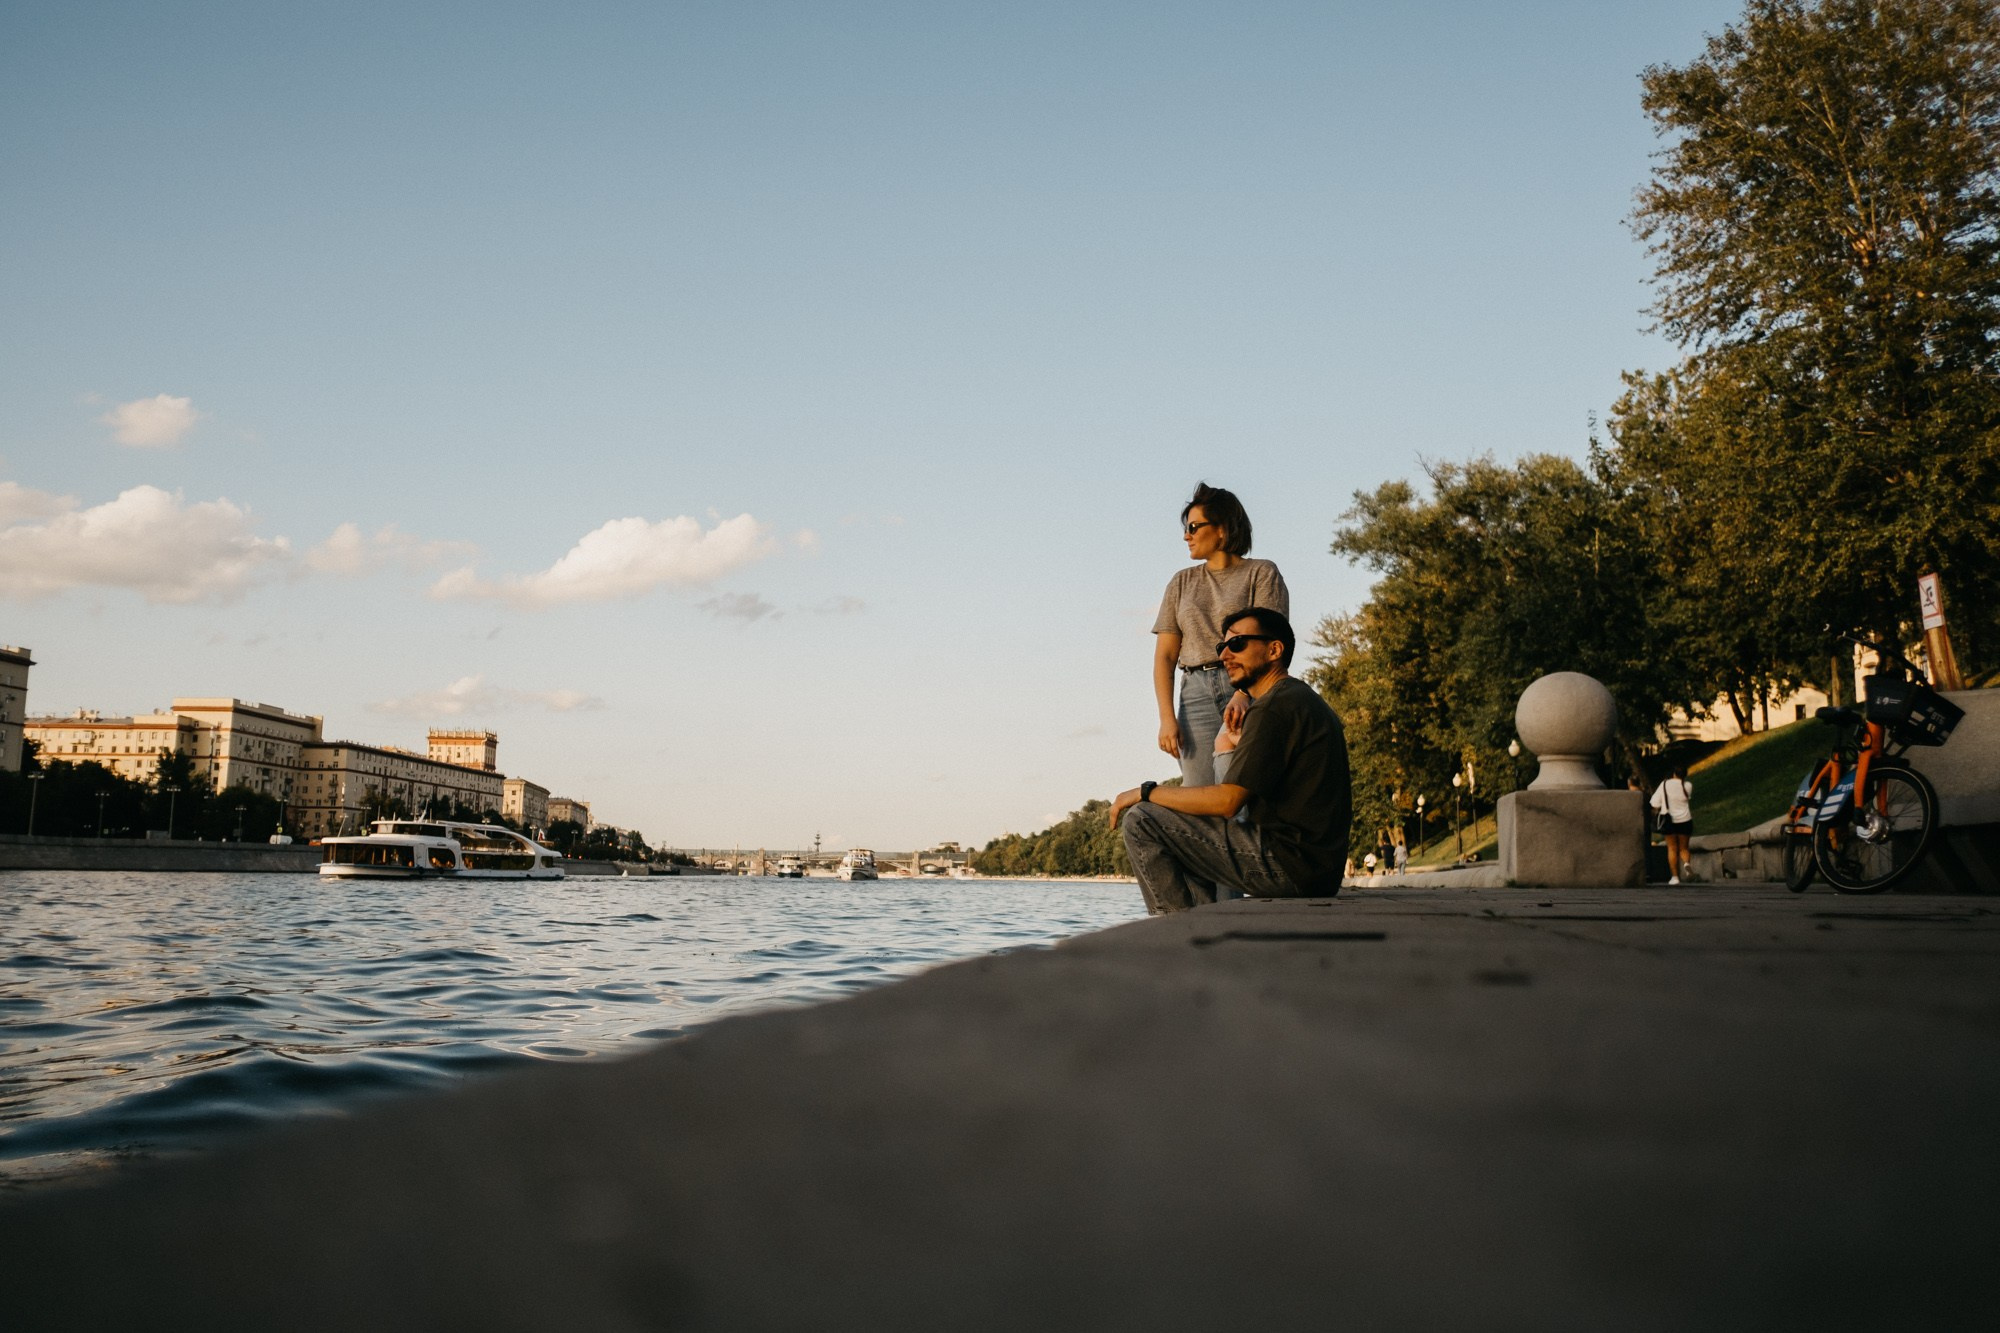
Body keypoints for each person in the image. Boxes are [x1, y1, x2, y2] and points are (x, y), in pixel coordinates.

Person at [1112, 607, 1351, 913]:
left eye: (1237, 644)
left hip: (1289, 866)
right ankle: (1200, 924)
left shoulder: (1275, 707)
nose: (1225, 655)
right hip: (1315, 869)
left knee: (1142, 819)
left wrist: (1144, 792)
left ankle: (1175, 935)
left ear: (1274, 649)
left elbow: (1228, 802)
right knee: (1176, 821)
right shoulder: (1296, 699)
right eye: (1221, 647)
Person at [1152, 483, 1290, 790]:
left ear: (1222, 529)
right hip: (1194, 696)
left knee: (1244, 788)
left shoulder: (1262, 573)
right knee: (1198, 794)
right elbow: (1165, 656)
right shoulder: (1181, 582)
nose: (1186, 535)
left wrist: (1243, 695)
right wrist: (1167, 717)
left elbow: (1271, 642)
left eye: (1193, 526)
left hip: (1250, 687)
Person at [1652, 764, 1695, 884]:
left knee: (1672, 848)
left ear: (1674, 773)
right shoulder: (1688, 786)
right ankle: (1686, 863)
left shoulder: (1664, 784)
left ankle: (1675, 877)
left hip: (1669, 821)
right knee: (1684, 848)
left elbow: (1655, 803)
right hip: (1685, 820)